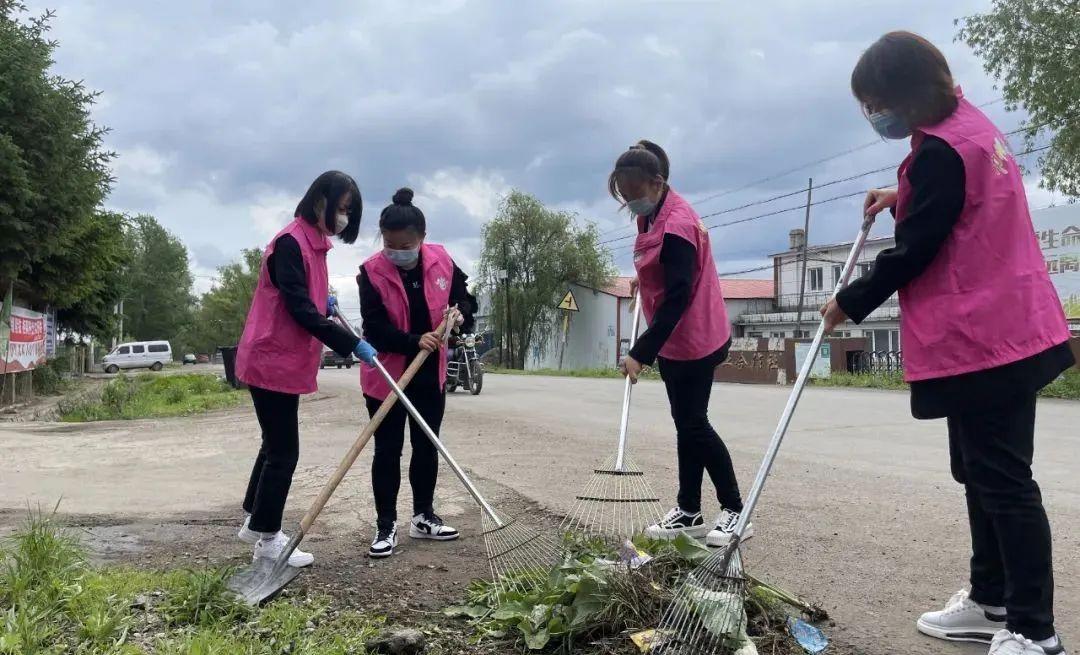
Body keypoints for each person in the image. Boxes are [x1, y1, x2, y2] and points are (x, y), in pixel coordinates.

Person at [821, 32, 1074, 655]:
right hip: (1003, 329)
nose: (873, 116)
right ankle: (991, 601)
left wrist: (849, 300)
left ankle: (1034, 630)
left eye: (876, 103)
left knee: (1004, 481)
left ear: (906, 96)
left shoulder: (940, 152)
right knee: (979, 472)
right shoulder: (968, 125)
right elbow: (950, 200)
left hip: (985, 334)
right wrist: (898, 192)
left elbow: (915, 249)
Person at [234, 170, 378, 567]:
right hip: (271, 358)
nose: (345, 217)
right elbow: (298, 310)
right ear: (321, 202)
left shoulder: (312, 245)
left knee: (273, 445)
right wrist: (352, 345)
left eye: (350, 210)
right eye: (343, 208)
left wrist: (326, 304)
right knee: (284, 452)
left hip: (283, 359)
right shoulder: (290, 244)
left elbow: (305, 299)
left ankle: (254, 520)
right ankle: (268, 540)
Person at [609, 140, 748, 548]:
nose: (631, 203)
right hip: (674, 338)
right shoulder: (652, 213)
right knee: (685, 424)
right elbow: (662, 269)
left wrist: (639, 352)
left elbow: (680, 295)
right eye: (625, 196)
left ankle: (736, 510)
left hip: (697, 335)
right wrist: (644, 279)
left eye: (635, 194)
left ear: (656, 183)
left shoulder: (679, 225)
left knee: (694, 425)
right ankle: (689, 509)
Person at [357, 188, 476, 558]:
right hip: (387, 378)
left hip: (429, 374)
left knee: (427, 446)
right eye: (391, 245)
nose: (398, 252)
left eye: (406, 245)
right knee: (388, 449)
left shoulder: (443, 260)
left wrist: (459, 315)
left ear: (422, 238)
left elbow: (465, 300)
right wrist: (414, 341)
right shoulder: (370, 273)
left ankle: (423, 516)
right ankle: (386, 524)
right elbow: (374, 329)